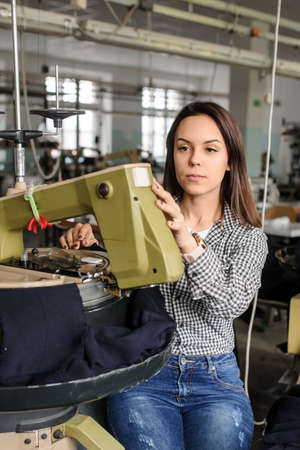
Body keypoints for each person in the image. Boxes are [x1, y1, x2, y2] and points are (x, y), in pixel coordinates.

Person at [59, 101, 268, 450]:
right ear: (172, 156)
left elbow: (231, 303)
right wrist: (90, 245)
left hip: (215, 378)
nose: (194, 159)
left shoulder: (246, 236)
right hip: (145, 373)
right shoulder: (142, 217)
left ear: (230, 161)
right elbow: (114, 275)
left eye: (210, 149)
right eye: (183, 148)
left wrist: (186, 239)